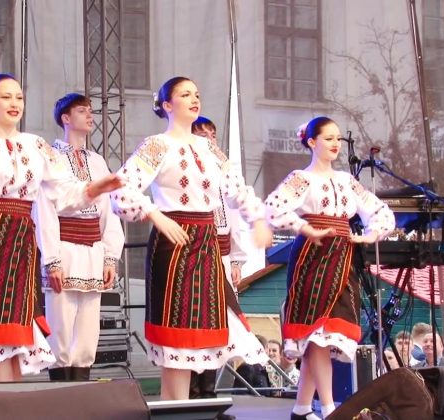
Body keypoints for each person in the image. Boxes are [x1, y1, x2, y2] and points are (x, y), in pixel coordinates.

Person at [0, 74, 123, 383]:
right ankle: (2, 397)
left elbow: (64, 193)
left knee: (18, 324)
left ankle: (13, 397)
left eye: (18, 97)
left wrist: (95, 188)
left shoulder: (36, 145)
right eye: (6, 97)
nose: (14, 103)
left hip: (22, 236)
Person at [110, 76, 272, 400]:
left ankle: (190, 406)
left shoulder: (209, 148)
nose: (194, 99)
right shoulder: (157, 145)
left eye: (196, 93)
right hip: (174, 243)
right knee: (176, 338)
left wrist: (258, 219)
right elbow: (121, 188)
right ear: (167, 105)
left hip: (207, 243)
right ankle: (175, 408)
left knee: (202, 333)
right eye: (185, 94)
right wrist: (155, 214)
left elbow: (237, 189)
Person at [264, 116, 395, 419]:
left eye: (338, 138)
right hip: (313, 255)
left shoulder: (346, 181)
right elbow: (273, 207)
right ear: (312, 142)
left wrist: (371, 234)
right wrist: (304, 227)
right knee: (317, 333)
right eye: (329, 138)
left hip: (343, 257)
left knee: (324, 334)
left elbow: (379, 211)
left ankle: (301, 409)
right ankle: (329, 408)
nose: (336, 144)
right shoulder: (301, 178)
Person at [33, 93, 125, 381]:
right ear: (65, 118)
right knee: (60, 325)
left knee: (87, 329)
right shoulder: (50, 157)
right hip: (63, 247)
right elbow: (44, 209)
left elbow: (109, 210)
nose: (90, 116)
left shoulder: (96, 161)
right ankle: (61, 394)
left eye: (90, 111)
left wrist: (110, 256)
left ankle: (82, 390)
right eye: (82, 111)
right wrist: (51, 259)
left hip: (92, 249)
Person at [188, 116, 251, 399]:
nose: (209, 139)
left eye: (212, 134)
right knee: (196, 319)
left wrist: (236, 259)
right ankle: (192, 390)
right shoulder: (187, 168)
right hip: (196, 257)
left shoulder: (224, 173)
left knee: (220, 322)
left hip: (222, 258)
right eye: (202, 134)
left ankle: (209, 390)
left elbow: (235, 217)